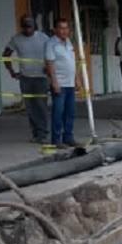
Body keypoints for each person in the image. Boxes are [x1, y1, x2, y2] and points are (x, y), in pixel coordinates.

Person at [3, 15, 50, 144]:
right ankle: (36, 134)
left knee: (41, 106)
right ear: (21, 26)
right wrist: (12, 72)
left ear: (34, 26)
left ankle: (43, 134)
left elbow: (52, 52)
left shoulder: (43, 38)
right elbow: (6, 54)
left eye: (30, 26)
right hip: (26, 78)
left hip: (41, 78)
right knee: (30, 108)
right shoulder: (16, 39)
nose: (27, 29)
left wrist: (49, 68)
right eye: (25, 26)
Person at [45, 18, 77, 148]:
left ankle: (68, 137)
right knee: (58, 112)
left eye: (66, 28)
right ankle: (56, 139)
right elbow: (50, 63)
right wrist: (54, 82)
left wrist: (77, 79)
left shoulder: (68, 42)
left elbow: (73, 62)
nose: (64, 31)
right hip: (59, 83)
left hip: (70, 83)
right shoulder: (51, 43)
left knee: (70, 112)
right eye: (61, 28)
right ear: (55, 30)